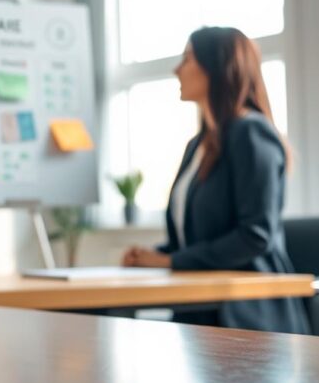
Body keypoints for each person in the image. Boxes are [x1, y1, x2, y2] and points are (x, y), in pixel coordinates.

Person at [122, 26, 309, 334]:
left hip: (247, 315)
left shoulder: (251, 133)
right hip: (201, 308)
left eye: (187, 59)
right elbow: (199, 240)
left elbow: (255, 236)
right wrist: (155, 255)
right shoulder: (198, 145)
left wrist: (169, 262)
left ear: (217, 67)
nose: (176, 70)